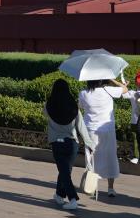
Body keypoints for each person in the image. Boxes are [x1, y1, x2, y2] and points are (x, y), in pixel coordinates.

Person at [44, 78, 91, 210]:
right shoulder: (73, 107)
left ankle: (72, 199)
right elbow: (81, 126)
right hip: (72, 144)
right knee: (65, 171)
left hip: (57, 143)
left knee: (64, 172)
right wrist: (89, 143)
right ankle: (59, 195)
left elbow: (45, 114)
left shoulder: (49, 105)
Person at [78, 77, 129, 197]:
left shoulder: (84, 93)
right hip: (107, 130)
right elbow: (125, 89)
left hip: (90, 130)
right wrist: (113, 80)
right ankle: (110, 188)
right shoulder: (109, 90)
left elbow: (80, 106)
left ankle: (91, 186)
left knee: (91, 158)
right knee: (110, 156)